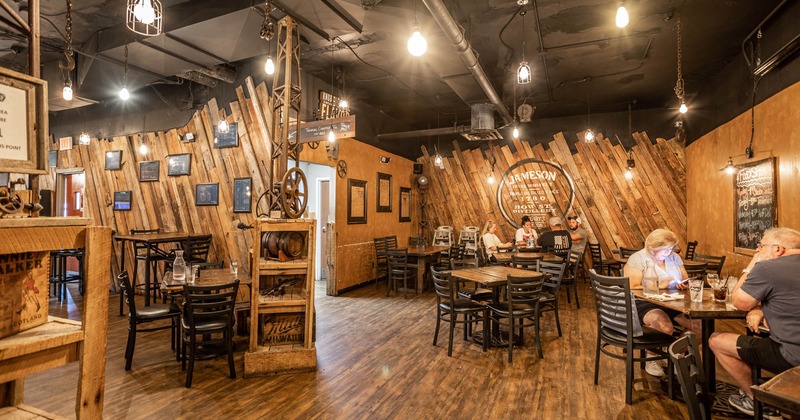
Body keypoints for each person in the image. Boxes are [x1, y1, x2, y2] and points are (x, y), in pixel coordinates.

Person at [708, 227, 800, 419]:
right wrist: (758, 308)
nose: (758, 250)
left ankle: (756, 400)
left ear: (777, 249)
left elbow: (739, 301)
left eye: (761, 246)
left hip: (793, 355)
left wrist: (752, 264)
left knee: (716, 340)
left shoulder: (768, 268)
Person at [623, 228, 699, 377]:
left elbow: (685, 278)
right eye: (665, 249)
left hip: (673, 301)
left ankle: (675, 355)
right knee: (665, 326)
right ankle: (652, 357)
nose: (669, 252)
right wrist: (659, 285)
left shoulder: (674, 258)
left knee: (700, 327)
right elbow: (631, 286)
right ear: (652, 248)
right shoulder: (638, 259)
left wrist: (682, 284)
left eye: (671, 248)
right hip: (643, 302)